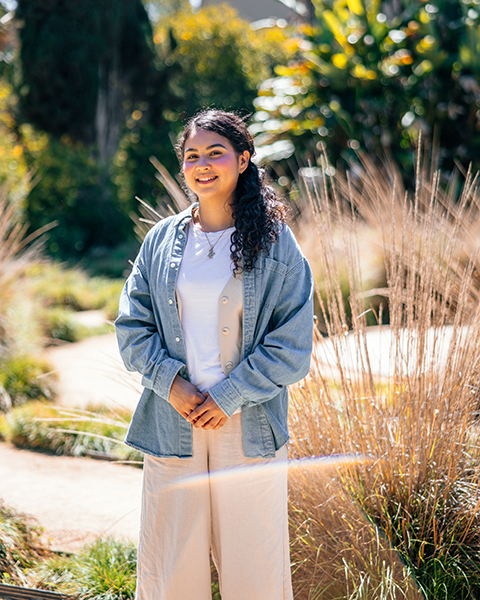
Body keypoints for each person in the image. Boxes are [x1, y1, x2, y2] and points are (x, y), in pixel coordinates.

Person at [115, 109, 314, 600]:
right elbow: (131, 327)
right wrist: (169, 383)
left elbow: (292, 347)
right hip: (172, 420)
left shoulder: (276, 244)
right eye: (191, 155)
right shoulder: (161, 241)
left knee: (255, 571)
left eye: (215, 153)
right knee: (170, 568)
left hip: (245, 427)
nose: (202, 164)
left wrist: (228, 395)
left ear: (243, 160)